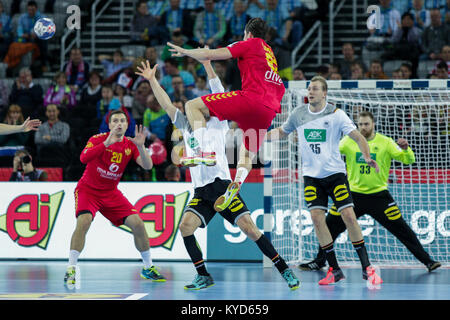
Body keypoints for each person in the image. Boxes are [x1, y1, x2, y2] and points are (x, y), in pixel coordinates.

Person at [136, 58, 300, 290]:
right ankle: (203, 275)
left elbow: (217, 90)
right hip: (201, 190)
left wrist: (207, 63)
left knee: (251, 230)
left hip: (222, 186)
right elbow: (166, 104)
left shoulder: (218, 123)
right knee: (185, 227)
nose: (191, 110)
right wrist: (152, 80)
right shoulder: (184, 126)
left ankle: (285, 270)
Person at [265, 76, 383, 286]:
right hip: (312, 177)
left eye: (315, 89)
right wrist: (258, 135)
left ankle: (367, 267)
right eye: (309, 89)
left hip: (335, 175)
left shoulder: (336, 115)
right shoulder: (299, 114)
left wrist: (366, 156)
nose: (310, 92)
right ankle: (334, 269)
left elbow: (358, 137)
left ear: (324, 93)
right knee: (317, 219)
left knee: (348, 215)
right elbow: (282, 132)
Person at [167, 17, 285, 213]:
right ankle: (237, 182)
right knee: (247, 154)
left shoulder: (250, 43)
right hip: (268, 111)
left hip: (252, 99)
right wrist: (206, 64)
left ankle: (201, 151)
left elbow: (213, 53)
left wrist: (186, 51)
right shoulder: (270, 55)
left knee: (192, 106)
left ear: (248, 33)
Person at [299, 111, 442, 273]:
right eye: (360, 124)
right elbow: (329, 154)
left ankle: (428, 261)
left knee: (402, 229)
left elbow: (409, 160)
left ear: (373, 124)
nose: (363, 127)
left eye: (366, 124)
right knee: (330, 225)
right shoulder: (348, 142)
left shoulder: (386, 143)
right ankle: (320, 261)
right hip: (352, 196)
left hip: (379, 196)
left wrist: (406, 149)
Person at [64, 110, 166, 287]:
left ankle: (148, 267)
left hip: (111, 193)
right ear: (109, 125)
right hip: (88, 190)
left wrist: (141, 147)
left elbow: (148, 166)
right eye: (115, 121)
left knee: (138, 224)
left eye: (122, 121)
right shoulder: (97, 139)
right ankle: (71, 268)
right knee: (84, 221)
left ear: (127, 125)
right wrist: (106, 143)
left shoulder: (131, 144)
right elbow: (83, 158)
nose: (119, 123)